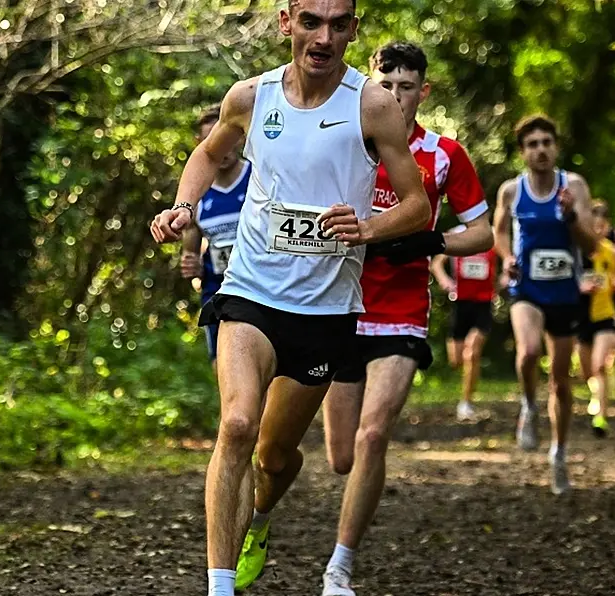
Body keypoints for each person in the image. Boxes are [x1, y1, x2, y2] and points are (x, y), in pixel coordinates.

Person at [150, 1, 432, 594]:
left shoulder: (372, 106)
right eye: (311, 21)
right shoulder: (251, 98)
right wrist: (184, 205)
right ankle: (220, 586)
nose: (323, 36)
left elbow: (416, 205)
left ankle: (260, 518)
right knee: (236, 423)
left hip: (326, 311)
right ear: (286, 24)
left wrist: (369, 228)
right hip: (250, 293)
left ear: (353, 30)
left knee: (275, 458)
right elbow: (208, 154)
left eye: (337, 24)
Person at [319, 41, 493, 596]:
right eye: (386, 84)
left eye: (407, 86)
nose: (396, 96)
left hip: (401, 313)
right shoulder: (341, 139)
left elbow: (483, 232)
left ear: (425, 90)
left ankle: (339, 568)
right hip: (338, 305)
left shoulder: (444, 154)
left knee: (373, 437)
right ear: (373, 83)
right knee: (342, 457)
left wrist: (431, 240)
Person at [492, 114, 597, 495]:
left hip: (565, 293)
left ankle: (559, 452)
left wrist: (569, 216)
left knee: (561, 381)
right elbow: (499, 231)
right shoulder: (511, 190)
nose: (540, 150)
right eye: (532, 144)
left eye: (546, 143)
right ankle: (527, 407)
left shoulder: (575, 187)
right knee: (528, 351)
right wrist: (505, 257)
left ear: (556, 148)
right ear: (522, 152)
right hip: (528, 289)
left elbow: (591, 246)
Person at [179, 104, 251, 371]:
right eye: (211, 140)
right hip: (217, 295)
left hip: (261, 291)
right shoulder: (196, 192)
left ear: (240, 137)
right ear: (200, 144)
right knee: (224, 371)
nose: (220, 147)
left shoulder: (258, 178)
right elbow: (191, 253)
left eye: (226, 139)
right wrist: (191, 266)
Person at [576, 200, 615, 437]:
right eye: (593, 227)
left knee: (600, 365)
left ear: (606, 227)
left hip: (605, 315)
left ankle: (601, 417)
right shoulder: (576, 252)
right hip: (580, 317)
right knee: (586, 372)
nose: (597, 232)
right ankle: (595, 394)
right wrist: (580, 286)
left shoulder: (612, 252)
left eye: (601, 227)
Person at [431, 223, 498, 421]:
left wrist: (504, 279)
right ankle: (465, 390)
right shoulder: (455, 234)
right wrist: (445, 281)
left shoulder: (490, 234)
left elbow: (509, 255)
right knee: (456, 359)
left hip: (484, 303)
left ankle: (466, 403)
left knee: (472, 352)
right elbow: (436, 263)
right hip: (461, 303)